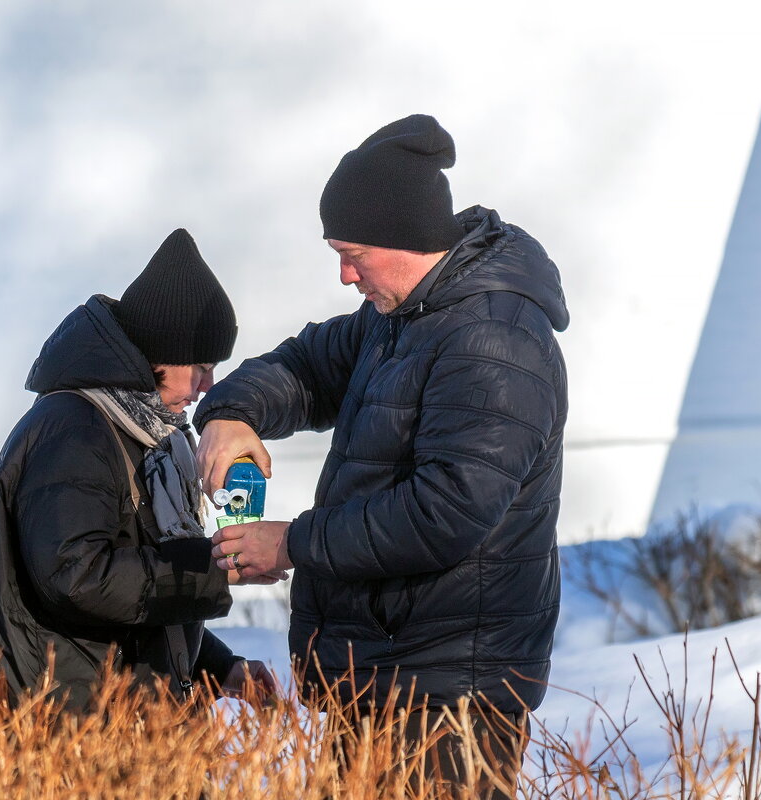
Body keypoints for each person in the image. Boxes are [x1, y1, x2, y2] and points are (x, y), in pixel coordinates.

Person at [195, 115, 568, 795]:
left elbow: (446, 511)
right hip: (382, 680)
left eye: (354, 252)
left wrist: (294, 544)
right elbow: (306, 367)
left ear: (408, 239)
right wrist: (229, 414)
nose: (344, 275)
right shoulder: (399, 320)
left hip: (447, 699)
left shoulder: (494, 341)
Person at [0, 228, 280, 715]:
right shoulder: (75, 429)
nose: (208, 386)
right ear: (162, 352)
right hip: (56, 733)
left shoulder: (143, 435)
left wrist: (218, 667)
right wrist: (216, 566)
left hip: (104, 721)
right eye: (202, 366)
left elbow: (136, 601)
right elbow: (77, 578)